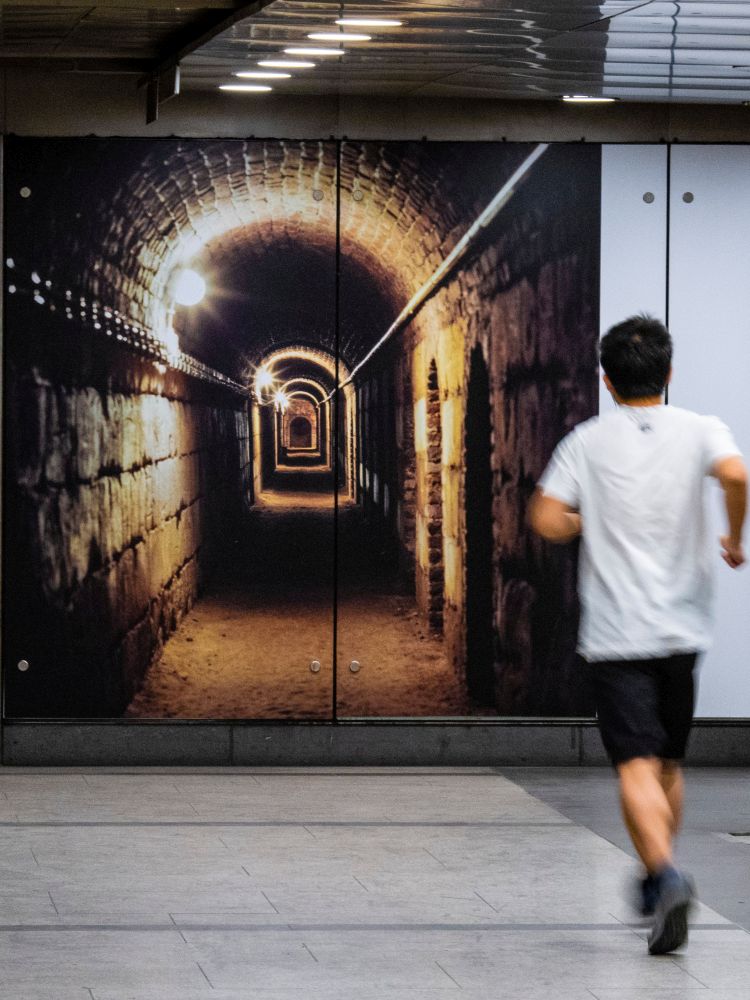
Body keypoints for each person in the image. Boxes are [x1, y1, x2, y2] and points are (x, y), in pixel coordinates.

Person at [529, 314, 747, 955]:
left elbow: (545, 518)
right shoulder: (702, 429)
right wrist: (734, 537)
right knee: (669, 761)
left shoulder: (586, 441)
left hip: (618, 633)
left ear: (607, 380)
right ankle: (658, 874)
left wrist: (580, 522)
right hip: (685, 628)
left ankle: (666, 873)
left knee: (634, 764)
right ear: (668, 372)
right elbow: (736, 475)